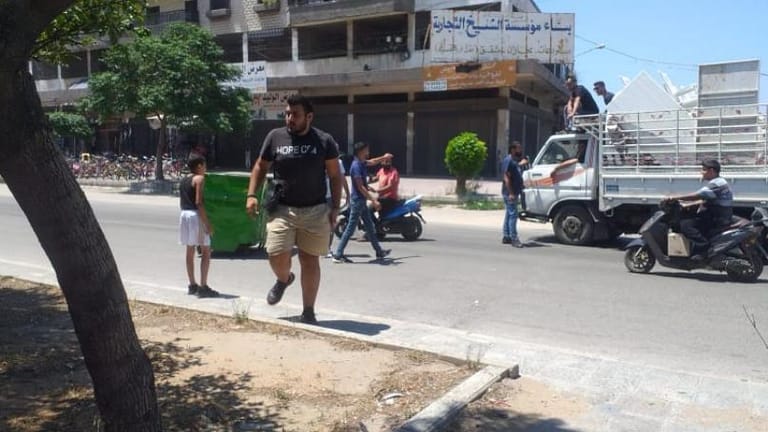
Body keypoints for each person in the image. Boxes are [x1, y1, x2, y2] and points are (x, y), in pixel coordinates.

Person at [246, 94, 343, 325]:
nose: (289, 118)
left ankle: (308, 312)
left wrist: (336, 208)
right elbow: (260, 166)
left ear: (309, 116)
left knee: (310, 262)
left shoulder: (324, 140)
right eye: (287, 113)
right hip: (282, 209)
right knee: (275, 255)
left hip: (316, 210)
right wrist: (251, 195)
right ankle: (284, 279)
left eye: (295, 114)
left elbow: (335, 175)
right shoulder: (275, 137)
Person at [332, 141, 392, 263]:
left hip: (361, 201)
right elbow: (360, 187)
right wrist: (373, 200)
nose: (368, 152)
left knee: (370, 227)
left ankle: (379, 252)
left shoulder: (361, 163)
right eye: (367, 150)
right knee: (350, 229)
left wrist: (384, 158)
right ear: (361, 151)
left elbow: (373, 161)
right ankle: (338, 254)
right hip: (358, 201)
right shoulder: (356, 166)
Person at [663, 159, 733, 259]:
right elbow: (706, 199)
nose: (701, 172)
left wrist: (674, 197)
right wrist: (687, 205)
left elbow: (699, 195)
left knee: (685, 225)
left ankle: (703, 249)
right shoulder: (719, 182)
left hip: (717, 217)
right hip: (718, 214)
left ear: (711, 171)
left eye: (704, 170)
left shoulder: (716, 184)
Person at [179, 154, 219, 298]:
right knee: (206, 251)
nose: (205, 169)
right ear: (199, 166)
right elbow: (199, 202)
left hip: (184, 215)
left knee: (190, 251)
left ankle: (192, 285)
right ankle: (203, 286)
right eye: (205, 165)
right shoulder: (199, 179)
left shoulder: (183, 180)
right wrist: (207, 224)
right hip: (196, 216)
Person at [326, 151, 350, 258]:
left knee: (331, 223)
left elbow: (342, 178)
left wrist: (348, 194)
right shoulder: (318, 160)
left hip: (331, 196)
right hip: (318, 196)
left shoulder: (338, 162)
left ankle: (327, 248)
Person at [501, 143, 525, 248]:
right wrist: (511, 193)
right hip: (510, 193)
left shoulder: (514, 161)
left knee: (509, 214)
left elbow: (515, 170)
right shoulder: (508, 160)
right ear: (513, 149)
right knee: (513, 215)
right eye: (518, 148)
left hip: (514, 191)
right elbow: (506, 177)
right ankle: (514, 238)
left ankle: (506, 236)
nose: (520, 150)